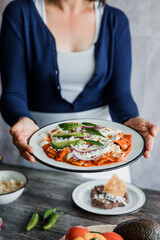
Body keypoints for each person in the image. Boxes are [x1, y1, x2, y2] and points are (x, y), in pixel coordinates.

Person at [0, 0, 159, 182]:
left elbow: (120, 94)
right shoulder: (20, 12)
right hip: (39, 146)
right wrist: (21, 118)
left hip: (105, 151)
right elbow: (13, 93)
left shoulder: (115, 20)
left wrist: (130, 117)